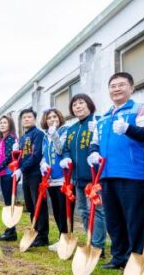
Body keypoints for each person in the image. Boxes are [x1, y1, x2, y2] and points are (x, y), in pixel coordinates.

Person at [88, 72, 144, 269]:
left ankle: (135, 257)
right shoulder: (103, 117)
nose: (116, 89)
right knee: (113, 218)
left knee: (134, 218)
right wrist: (92, 153)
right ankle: (118, 257)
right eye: (113, 86)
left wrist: (128, 128)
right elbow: (95, 142)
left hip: (133, 174)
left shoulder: (140, 109)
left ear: (131, 88)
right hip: (106, 174)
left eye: (121, 85)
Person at [60, 93, 107, 255]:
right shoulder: (72, 129)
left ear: (89, 104)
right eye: (74, 105)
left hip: (95, 178)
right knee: (84, 211)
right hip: (78, 178)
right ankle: (90, 238)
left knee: (98, 211)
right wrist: (66, 158)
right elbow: (66, 148)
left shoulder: (99, 121)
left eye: (81, 103)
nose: (77, 107)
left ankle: (98, 246)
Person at [39, 109, 71, 252]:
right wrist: (43, 164)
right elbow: (44, 154)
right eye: (49, 117)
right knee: (57, 210)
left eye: (55, 116)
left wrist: (55, 135)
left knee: (64, 210)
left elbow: (60, 150)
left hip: (63, 177)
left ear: (59, 117)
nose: (52, 119)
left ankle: (66, 238)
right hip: (51, 178)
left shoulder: (65, 131)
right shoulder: (45, 136)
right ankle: (61, 237)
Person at [18, 108, 49, 247]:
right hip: (26, 174)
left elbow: (36, 155)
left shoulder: (38, 134)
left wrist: (22, 168)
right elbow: (21, 156)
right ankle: (35, 230)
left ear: (34, 119)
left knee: (39, 204)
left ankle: (42, 236)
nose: (26, 119)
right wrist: (18, 168)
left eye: (29, 117)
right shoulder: (23, 137)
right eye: (24, 117)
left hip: (35, 174)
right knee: (30, 205)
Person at [0, 115, 20, 241]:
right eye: (1, 123)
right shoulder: (2, 139)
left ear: (10, 125)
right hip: (4, 173)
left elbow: (9, 156)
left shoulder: (10, 138)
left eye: (5, 123)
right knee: (7, 202)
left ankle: (11, 231)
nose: (2, 125)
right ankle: (10, 229)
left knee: (10, 203)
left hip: (9, 173)